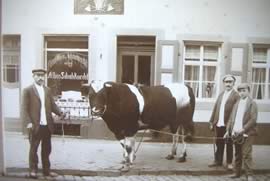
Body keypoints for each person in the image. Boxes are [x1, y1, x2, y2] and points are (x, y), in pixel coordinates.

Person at [22, 68, 65, 178]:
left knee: (47, 149)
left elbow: (52, 105)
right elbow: (24, 109)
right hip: (35, 125)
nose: (41, 77)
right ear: (34, 76)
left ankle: (47, 171)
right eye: (38, 75)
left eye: (42, 75)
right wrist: (28, 122)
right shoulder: (28, 90)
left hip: (47, 125)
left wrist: (60, 112)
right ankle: (33, 170)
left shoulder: (47, 90)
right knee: (33, 149)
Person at [224, 83, 257, 181]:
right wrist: (228, 131)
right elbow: (231, 118)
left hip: (247, 133)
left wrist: (243, 129)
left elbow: (253, 119)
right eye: (240, 91)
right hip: (236, 132)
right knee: (237, 154)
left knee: (246, 154)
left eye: (244, 91)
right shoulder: (237, 103)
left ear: (248, 91)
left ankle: (249, 174)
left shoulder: (252, 103)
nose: (242, 93)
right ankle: (236, 172)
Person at [208, 74, 240, 169]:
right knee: (219, 142)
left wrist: (232, 126)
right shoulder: (221, 94)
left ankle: (229, 162)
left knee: (229, 143)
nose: (228, 84)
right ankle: (218, 161)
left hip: (229, 124)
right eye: (226, 82)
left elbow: (236, 111)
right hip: (219, 123)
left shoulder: (236, 95)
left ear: (233, 83)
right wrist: (211, 121)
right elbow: (215, 108)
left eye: (230, 82)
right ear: (223, 83)